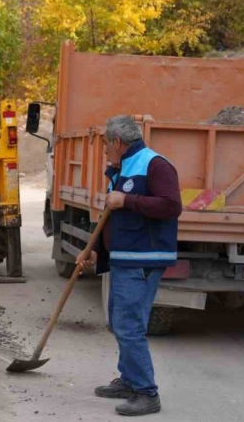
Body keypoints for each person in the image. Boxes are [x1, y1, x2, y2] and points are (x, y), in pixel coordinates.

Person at [80, 116, 182, 416]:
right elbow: (113, 217)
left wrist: (127, 200)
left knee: (129, 326)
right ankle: (128, 379)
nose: (105, 153)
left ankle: (146, 392)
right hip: (124, 259)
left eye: (105, 147)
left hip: (144, 260)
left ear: (117, 142)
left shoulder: (155, 165)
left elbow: (171, 206)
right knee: (118, 322)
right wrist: (96, 250)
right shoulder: (121, 168)